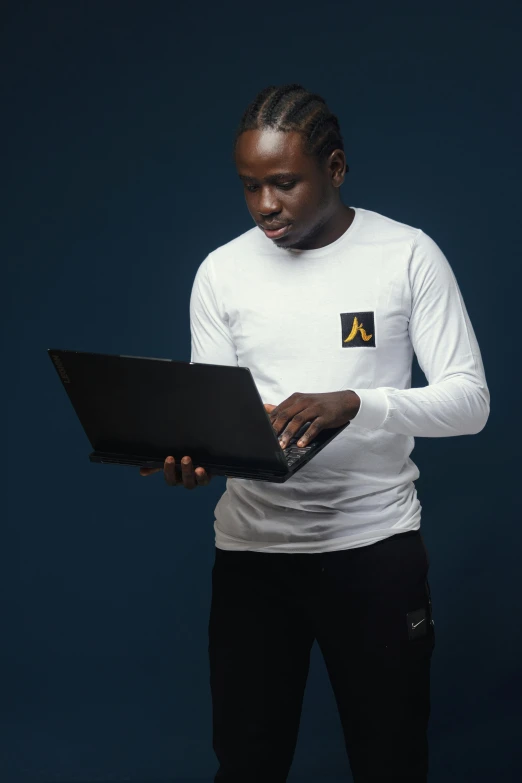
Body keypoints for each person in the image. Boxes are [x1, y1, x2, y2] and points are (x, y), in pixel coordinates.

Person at [141, 84, 490, 782]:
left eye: (283, 183)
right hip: (251, 558)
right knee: (246, 765)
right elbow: (216, 409)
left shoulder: (407, 254)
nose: (265, 204)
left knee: (391, 763)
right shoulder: (221, 271)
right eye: (249, 187)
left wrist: (358, 402)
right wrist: (192, 457)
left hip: (374, 554)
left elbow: (470, 402)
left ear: (334, 167)